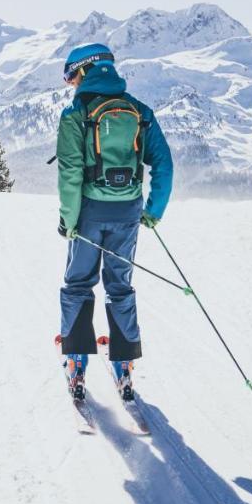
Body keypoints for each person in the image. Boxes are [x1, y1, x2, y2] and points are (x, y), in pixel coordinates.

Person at [54, 43, 173, 401]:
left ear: (86, 70)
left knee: (78, 284)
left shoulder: (76, 115)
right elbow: (163, 164)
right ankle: (124, 368)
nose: (71, 84)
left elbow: (71, 174)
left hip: (89, 213)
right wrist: (152, 211)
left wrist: (69, 221)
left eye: (71, 76)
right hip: (128, 213)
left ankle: (76, 365)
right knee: (119, 286)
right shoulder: (139, 110)